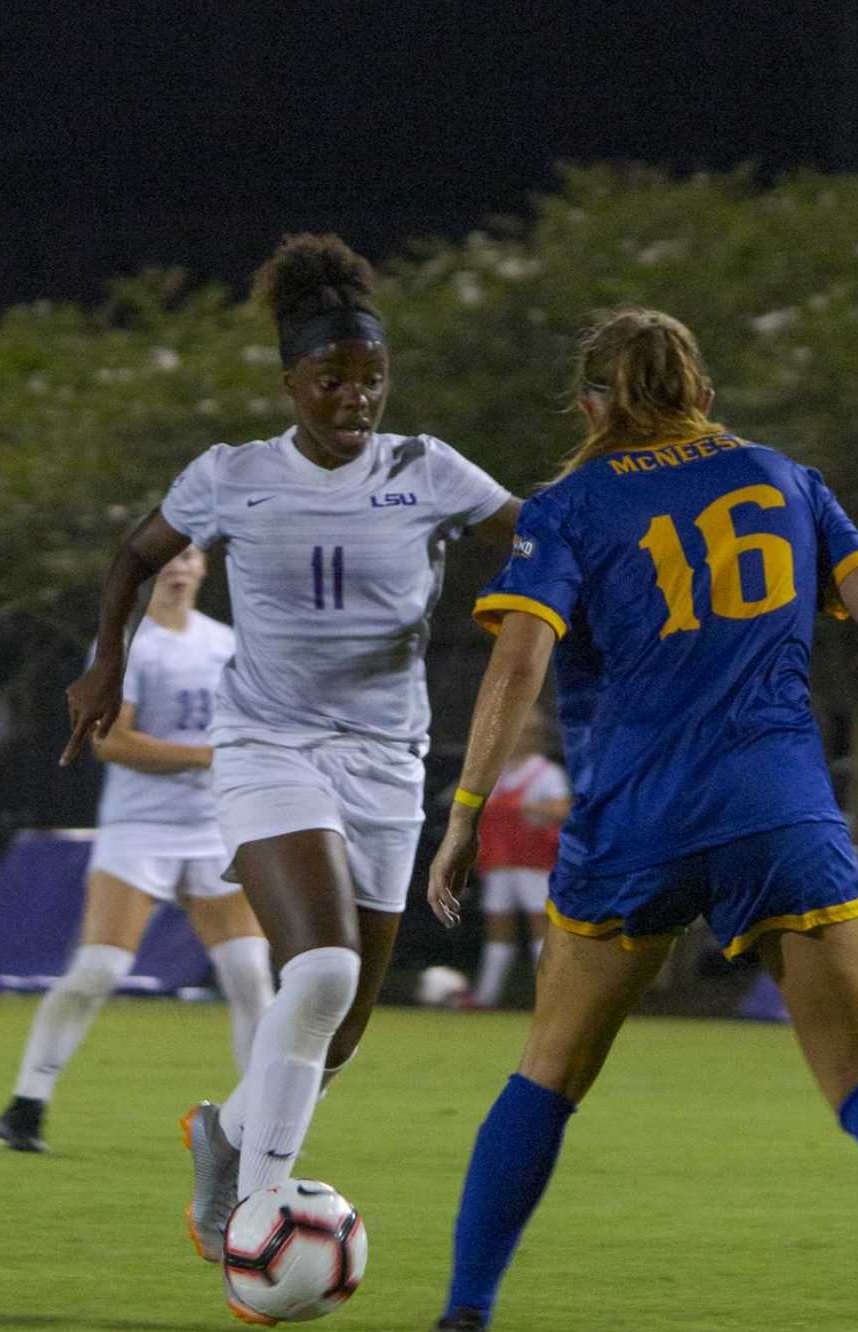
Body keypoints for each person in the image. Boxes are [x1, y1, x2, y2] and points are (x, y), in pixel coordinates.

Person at [408, 306, 858, 1332]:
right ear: (700, 389)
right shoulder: (785, 479)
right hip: (779, 810)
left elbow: (516, 667)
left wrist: (461, 812)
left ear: (593, 405)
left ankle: (462, 1316)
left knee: (546, 1073)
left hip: (635, 818)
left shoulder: (570, 505)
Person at [61, 232, 519, 1259]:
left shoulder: (427, 469)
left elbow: (535, 535)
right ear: (290, 383)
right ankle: (253, 1225)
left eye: (372, 380)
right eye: (332, 379)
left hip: (387, 759)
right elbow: (135, 556)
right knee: (315, 974)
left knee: (342, 1028)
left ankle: (224, 1133)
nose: (355, 398)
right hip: (268, 744)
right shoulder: (231, 477)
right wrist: (108, 662)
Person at [0, 548, 271, 1152]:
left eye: (189, 555)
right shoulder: (126, 646)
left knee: (249, 973)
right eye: (166, 558)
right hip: (139, 828)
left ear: (202, 568)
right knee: (100, 969)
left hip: (214, 828)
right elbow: (111, 741)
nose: (177, 566)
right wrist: (209, 756)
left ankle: (258, 1123)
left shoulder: (226, 642)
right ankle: (25, 1105)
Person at [469, 717, 569, 1006]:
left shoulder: (546, 773)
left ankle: (551, 1000)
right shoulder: (495, 770)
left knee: (541, 927)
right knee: (498, 929)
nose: (524, 738)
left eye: (532, 733)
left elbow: (562, 809)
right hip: (499, 862)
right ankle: (486, 997)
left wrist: (524, 806)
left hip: (534, 863)